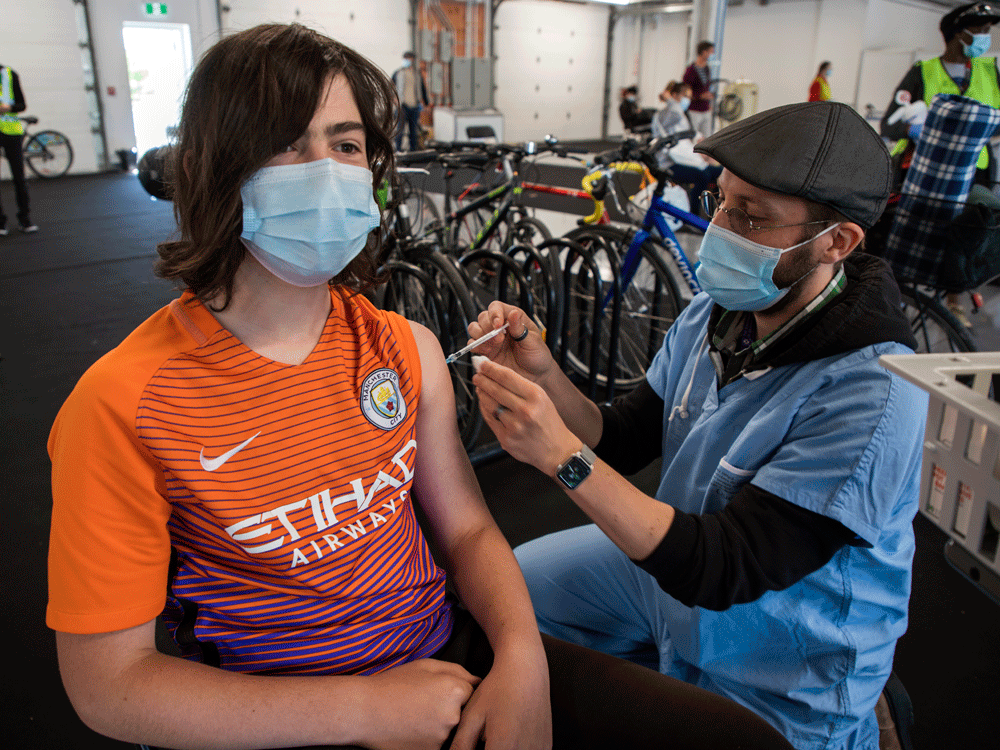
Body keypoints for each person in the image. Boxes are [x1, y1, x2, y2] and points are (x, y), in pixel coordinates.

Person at [46, 23, 793, 750]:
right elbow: (110, 686)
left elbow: (466, 530)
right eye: (286, 142)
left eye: (345, 144)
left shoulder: (404, 348)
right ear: (218, 166)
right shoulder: (123, 404)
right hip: (279, 708)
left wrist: (522, 660)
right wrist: (365, 708)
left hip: (448, 654)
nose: (325, 169)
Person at [469, 101, 929, 750]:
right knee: (509, 592)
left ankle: (857, 712)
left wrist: (562, 457)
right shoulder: (716, 311)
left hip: (784, 636)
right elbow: (624, 436)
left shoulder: (873, 388)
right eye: (722, 201)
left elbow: (726, 567)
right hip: (676, 559)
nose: (722, 230)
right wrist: (543, 372)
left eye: (753, 217)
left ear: (838, 242)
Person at [880, 1, 1000, 328]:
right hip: (922, 175)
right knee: (915, 232)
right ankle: (894, 297)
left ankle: (952, 300)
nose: (984, 37)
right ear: (956, 34)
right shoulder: (923, 72)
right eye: (979, 31)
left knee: (964, 237)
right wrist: (918, 129)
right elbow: (889, 124)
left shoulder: (991, 72)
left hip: (975, 173)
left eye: (987, 31)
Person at [652, 80, 722, 210]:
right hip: (669, 162)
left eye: (689, 97)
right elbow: (675, 115)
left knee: (721, 173)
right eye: (686, 96)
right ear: (675, 96)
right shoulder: (666, 114)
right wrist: (669, 100)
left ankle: (716, 215)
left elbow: (686, 137)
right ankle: (693, 214)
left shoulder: (680, 114)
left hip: (682, 158)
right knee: (703, 175)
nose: (688, 100)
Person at [0, 63, 37, 234]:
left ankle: (25, 219)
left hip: (11, 133)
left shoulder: (10, 74)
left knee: (19, 178)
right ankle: (1, 222)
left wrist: (9, 108)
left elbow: (22, 105)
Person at [392, 51, 428, 151]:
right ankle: (398, 150)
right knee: (400, 130)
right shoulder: (398, 73)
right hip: (402, 106)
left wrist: (426, 103)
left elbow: (422, 88)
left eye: (410, 59)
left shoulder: (416, 74)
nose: (408, 61)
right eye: (406, 59)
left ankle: (413, 151)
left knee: (413, 131)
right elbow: (390, 87)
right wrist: (394, 99)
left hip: (414, 106)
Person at [683, 40, 716, 138]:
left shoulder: (707, 69)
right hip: (694, 110)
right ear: (704, 52)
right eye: (711, 52)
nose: (712, 54)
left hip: (705, 109)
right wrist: (699, 96)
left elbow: (706, 87)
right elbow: (685, 92)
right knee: (694, 138)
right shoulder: (691, 70)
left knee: (707, 138)